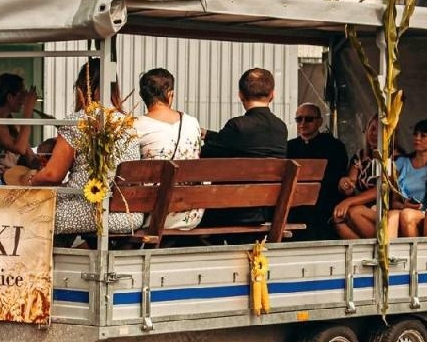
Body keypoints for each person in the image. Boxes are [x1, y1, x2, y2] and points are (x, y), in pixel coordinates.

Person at [28, 63, 143, 238]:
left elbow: (52, 175)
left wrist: (31, 182)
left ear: (81, 88)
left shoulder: (79, 121)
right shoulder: (127, 123)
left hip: (95, 212)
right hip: (130, 215)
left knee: (32, 213)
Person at [334, 119, 427, 240]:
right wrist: (404, 204)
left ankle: (391, 255)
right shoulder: (402, 162)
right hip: (399, 209)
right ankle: (377, 254)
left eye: (423, 136)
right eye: (415, 134)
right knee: (351, 214)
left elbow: (383, 188)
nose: (417, 138)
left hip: (426, 213)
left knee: (395, 215)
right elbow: (393, 197)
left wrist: (350, 200)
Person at [132, 68, 204, 231]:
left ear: (143, 96)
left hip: (153, 214)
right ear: (170, 94)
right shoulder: (192, 122)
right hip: (191, 213)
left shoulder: (135, 126)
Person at [286, 102, 348, 239]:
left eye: (308, 119)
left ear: (319, 122)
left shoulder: (334, 146)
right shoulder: (289, 147)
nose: (303, 123)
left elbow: (336, 177)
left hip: (323, 203)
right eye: (299, 119)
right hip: (295, 203)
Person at [199, 68, 287, 159]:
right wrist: (208, 135)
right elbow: (239, 144)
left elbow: (205, 153)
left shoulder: (238, 126)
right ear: (272, 95)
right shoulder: (281, 127)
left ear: (240, 95)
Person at [0, 72, 43, 171]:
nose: (24, 98)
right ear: (9, 97)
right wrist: (28, 111)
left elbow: (30, 157)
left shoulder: (11, 124)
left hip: (13, 176)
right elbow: (19, 149)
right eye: (22, 93)